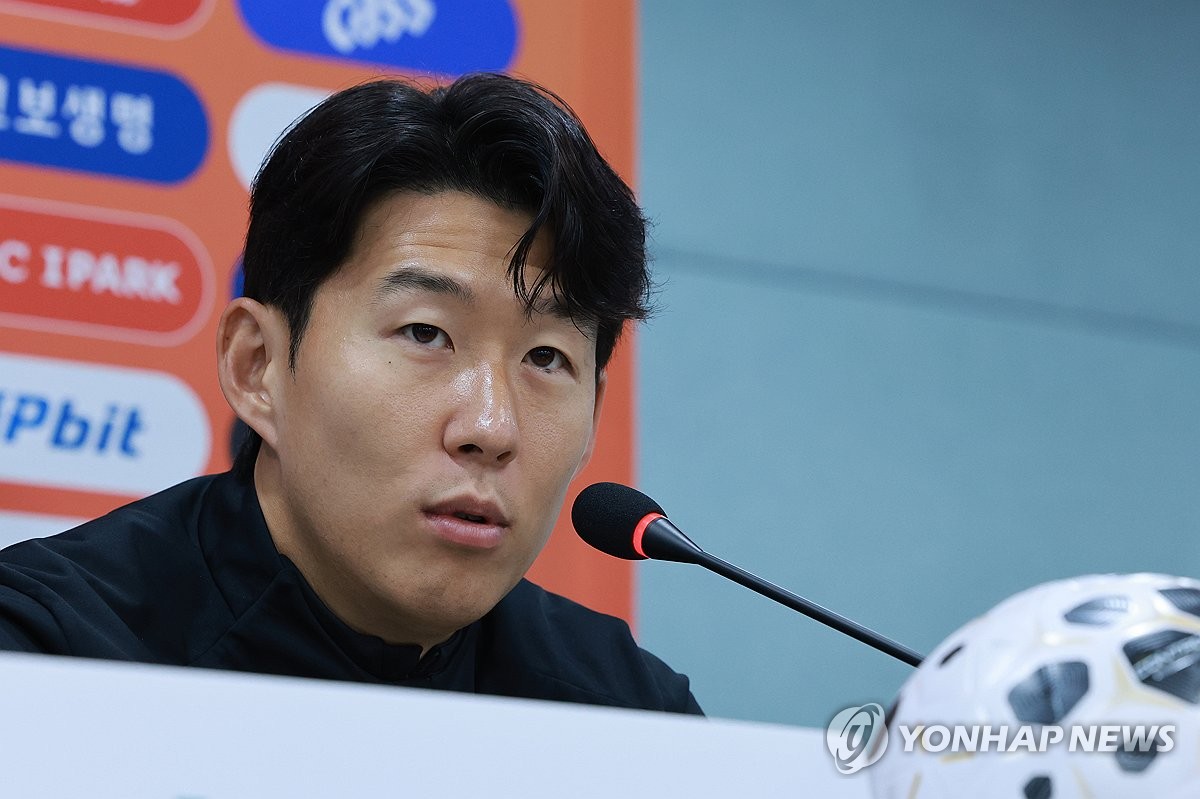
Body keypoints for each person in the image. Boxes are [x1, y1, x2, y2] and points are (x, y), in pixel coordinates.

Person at [0, 73, 702, 714]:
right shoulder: (45, 656)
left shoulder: (631, 716)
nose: (491, 427)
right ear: (257, 366)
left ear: (594, 412)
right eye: (426, 333)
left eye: (545, 357)